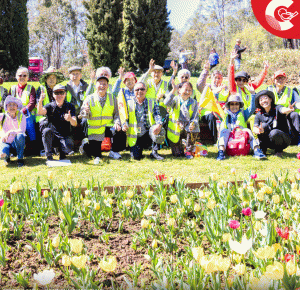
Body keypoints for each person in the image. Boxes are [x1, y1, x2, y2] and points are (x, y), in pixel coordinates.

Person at [80, 76, 126, 164]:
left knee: (120, 131)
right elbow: (82, 115)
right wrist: (86, 111)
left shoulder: (112, 98)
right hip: (95, 130)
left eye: (104, 84)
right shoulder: (89, 98)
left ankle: (114, 151)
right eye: (100, 83)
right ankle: (85, 146)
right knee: (96, 155)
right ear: (95, 85)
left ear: (107, 86)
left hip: (108, 127)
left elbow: (117, 113)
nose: (102, 86)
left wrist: (117, 122)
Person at [216, 89, 266, 161]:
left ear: (239, 105)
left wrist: (252, 94)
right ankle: (221, 152)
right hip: (228, 137)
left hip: (241, 136)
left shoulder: (244, 113)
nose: (234, 106)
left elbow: (252, 107)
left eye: (236, 104)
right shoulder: (223, 114)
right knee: (224, 130)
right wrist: (216, 94)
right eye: (232, 104)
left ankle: (257, 151)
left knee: (247, 130)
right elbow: (215, 105)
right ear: (229, 105)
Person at [122, 82, 164, 161]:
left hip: (148, 132)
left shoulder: (152, 102)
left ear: (146, 91)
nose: (139, 91)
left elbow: (157, 115)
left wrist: (159, 124)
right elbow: (124, 117)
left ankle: (154, 152)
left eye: (142, 89)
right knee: (136, 157)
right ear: (134, 91)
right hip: (135, 134)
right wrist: (124, 124)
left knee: (160, 129)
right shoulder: (128, 103)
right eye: (137, 89)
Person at [37, 84, 77, 162]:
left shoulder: (70, 106)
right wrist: (40, 101)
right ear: (53, 95)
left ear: (65, 94)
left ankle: (62, 154)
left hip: (64, 136)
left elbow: (74, 123)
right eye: (56, 93)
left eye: (61, 92)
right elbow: (40, 112)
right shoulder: (50, 106)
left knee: (69, 146)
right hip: (52, 137)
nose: (59, 95)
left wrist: (70, 119)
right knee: (46, 131)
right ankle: (49, 156)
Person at [164, 81, 199, 159]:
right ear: (179, 90)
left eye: (190, 90)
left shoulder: (194, 102)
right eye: (185, 89)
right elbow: (166, 103)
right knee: (178, 154)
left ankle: (189, 150)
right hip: (175, 129)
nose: (187, 92)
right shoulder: (175, 99)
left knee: (196, 127)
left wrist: (193, 123)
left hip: (187, 128)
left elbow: (195, 117)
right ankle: (181, 144)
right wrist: (173, 90)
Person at [253, 90, 294, 157]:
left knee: (274, 132)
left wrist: (288, 109)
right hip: (268, 140)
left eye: (266, 98)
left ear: (271, 99)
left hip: (283, 139)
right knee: (263, 126)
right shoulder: (258, 114)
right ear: (259, 103)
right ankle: (263, 149)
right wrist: (258, 130)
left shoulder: (277, 108)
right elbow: (255, 126)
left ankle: (279, 150)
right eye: (261, 100)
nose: (263, 101)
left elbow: (283, 110)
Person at [197, 62, 230, 144]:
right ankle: (214, 141)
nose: (217, 80)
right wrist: (205, 70)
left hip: (221, 111)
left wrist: (226, 106)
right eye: (215, 78)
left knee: (228, 116)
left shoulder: (225, 88)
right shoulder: (207, 87)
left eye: (219, 78)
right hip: (208, 111)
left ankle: (226, 138)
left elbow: (228, 101)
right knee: (211, 117)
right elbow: (199, 85)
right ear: (211, 78)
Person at [267, 70, 300, 145]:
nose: (280, 80)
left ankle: (298, 139)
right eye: (277, 78)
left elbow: (297, 103)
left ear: (286, 79)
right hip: (273, 115)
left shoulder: (290, 91)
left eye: (282, 78)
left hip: (287, 114)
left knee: (295, 115)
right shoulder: (268, 89)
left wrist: (292, 108)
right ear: (274, 80)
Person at [0, 96, 26, 167]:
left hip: (16, 142)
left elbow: (22, 130)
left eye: (14, 105)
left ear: (17, 106)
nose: (12, 107)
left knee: (20, 136)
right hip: (5, 142)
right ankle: (6, 157)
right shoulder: (2, 116)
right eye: (9, 105)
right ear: (6, 107)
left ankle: (20, 159)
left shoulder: (21, 115)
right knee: (2, 155)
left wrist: (10, 132)